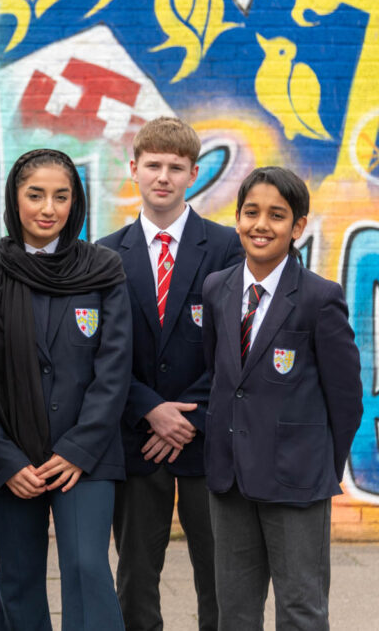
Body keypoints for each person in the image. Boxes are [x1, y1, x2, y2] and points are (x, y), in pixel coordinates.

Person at [0, 149, 130, 631]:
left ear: (75, 203)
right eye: (35, 195)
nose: (48, 208)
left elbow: (114, 369)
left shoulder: (104, 270)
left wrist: (78, 449)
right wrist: (5, 459)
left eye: (61, 196)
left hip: (87, 457)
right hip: (11, 458)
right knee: (18, 581)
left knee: (86, 568)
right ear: (15, 199)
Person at [202, 166, 363, 630]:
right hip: (229, 478)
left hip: (296, 482)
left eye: (276, 215)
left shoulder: (319, 298)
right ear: (237, 219)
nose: (261, 225)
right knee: (233, 611)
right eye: (251, 212)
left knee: (300, 609)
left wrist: (317, 467)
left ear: (297, 227)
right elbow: (222, 377)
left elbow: (346, 400)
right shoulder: (218, 289)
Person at [97, 116, 241, 630]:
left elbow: (235, 344)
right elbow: (100, 353)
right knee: (136, 572)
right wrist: (150, 409)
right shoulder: (106, 254)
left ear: (193, 174)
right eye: (153, 165)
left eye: (175, 167)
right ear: (133, 169)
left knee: (222, 573)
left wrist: (189, 416)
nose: (163, 176)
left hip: (208, 439)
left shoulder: (226, 247)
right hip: (137, 439)